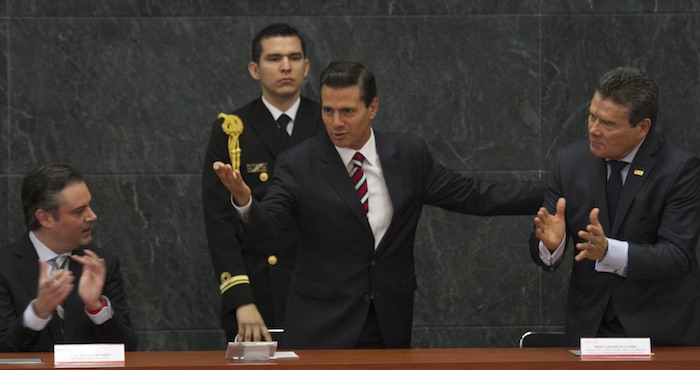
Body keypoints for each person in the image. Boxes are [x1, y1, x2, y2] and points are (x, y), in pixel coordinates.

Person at [212, 60, 546, 349]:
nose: (336, 122)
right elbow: (265, 226)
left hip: (387, 321)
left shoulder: (408, 155)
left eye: (348, 111)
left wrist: (555, 192)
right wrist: (244, 199)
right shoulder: (299, 163)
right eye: (328, 110)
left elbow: (476, 195)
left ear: (372, 108)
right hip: (321, 325)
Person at [530, 66, 700, 346]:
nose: (593, 130)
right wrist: (552, 246)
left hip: (660, 330)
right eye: (592, 116)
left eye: (607, 124)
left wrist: (609, 251)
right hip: (590, 327)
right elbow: (547, 246)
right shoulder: (569, 162)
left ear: (642, 127)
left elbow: (676, 256)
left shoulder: (679, 169)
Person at [202, 23, 324, 343]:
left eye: (294, 57)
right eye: (274, 58)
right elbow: (219, 220)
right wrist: (241, 298)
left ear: (307, 67)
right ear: (255, 69)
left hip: (325, 293)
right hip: (258, 296)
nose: (286, 66)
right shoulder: (233, 130)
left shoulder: (329, 122)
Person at [0, 163, 137, 352]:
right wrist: (37, 313)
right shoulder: (4, 266)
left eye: (89, 206)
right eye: (79, 211)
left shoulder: (100, 264)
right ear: (45, 218)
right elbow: (4, 350)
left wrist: (97, 308)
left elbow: (127, 349)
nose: (92, 216)